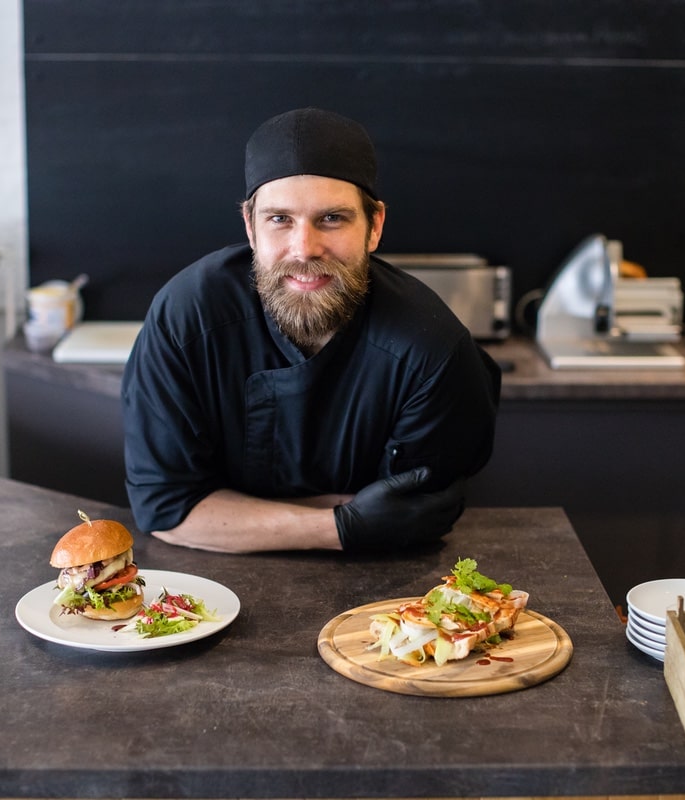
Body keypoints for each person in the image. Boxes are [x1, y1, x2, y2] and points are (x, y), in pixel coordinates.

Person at [122, 107, 500, 553]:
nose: (305, 249)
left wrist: (231, 512)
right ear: (250, 226)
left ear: (374, 225)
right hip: (204, 592)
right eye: (280, 219)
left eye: (332, 218)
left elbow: (408, 515)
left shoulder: (431, 349)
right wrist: (341, 525)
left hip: (383, 595)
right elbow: (166, 510)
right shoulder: (187, 317)